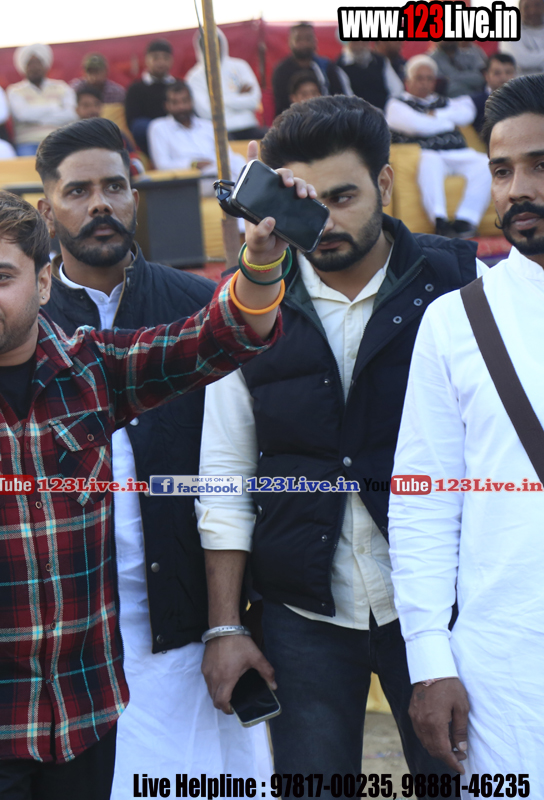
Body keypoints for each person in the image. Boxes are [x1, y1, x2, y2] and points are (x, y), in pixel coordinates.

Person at [0, 161, 294, 796]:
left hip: (83, 712)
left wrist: (261, 262)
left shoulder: (92, 366)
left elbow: (220, 337)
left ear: (42, 284)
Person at [197, 94, 473, 784]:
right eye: (305, 202)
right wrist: (227, 627)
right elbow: (224, 478)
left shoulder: (465, 284)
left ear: (385, 183)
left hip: (446, 607)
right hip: (302, 612)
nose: (324, 221)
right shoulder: (245, 304)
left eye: (343, 197)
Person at [36, 118, 272, 789]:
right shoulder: (24, 327)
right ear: (46, 211)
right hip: (70, 637)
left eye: (114, 186)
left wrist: (228, 624)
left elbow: (236, 470)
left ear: (135, 197)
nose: (100, 204)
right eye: (78, 191)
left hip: (189, 626)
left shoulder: (200, 309)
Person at [388, 73, 544, 778]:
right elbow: (423, 502)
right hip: (505, 670)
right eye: (502, 170)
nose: (518, 190)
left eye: (540, 165)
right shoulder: (455, 321)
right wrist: (429, 661)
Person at [386, 55, 490, 239]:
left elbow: (467, 114)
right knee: (430, 161)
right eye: (419, 78)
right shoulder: (397, 104)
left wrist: (436, 116)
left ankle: (465, 220)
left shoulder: (443, 101)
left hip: (458, 152)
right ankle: (439, 220)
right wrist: (448, 121)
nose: (425, 83)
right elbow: (417, 126)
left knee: (485, 163)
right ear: (407, 81)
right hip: (428, 154)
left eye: (429, 78)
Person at [148, 82, 244, 193]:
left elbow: (228, 156)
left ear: (192, 101)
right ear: (167, 105)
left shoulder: (208, 126)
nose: (181, 107)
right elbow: (162, 165)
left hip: (218, 170)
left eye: (185, 101)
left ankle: (241, 192)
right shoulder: (159, 128)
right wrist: (193, 164)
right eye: (175, 103)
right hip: (191, 181)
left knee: (238, 160)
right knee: (222, 176)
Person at [185, 29, 264, 141]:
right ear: (200, 48)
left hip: (249, 126)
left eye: (215, 43)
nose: (212, 48)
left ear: (222, 44)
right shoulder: (194, 77)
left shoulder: (240, 66)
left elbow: (254, 101)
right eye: (207, 45)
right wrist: (238, 96)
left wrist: (215, 100)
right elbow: (207, 112)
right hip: (218, 132)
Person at [6, 44, 77, 157]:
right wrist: (54, 108)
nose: (34, 67)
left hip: (58, 140)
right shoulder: (15, 91)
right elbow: (23, 115)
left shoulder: (62, 87)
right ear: (24, 67)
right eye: (30, 63)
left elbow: (71, 115)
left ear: (45, 65)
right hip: (28, 143)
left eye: (38, 62)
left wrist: (36, 118)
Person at [271, 23, 352, 118]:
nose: (304, 43)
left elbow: (340, 100)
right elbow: (281, 107)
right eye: (298, 39)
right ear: (290, 42)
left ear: (315, 41)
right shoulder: (281, 72)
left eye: (308, 39)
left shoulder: (327, 67)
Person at [124, 39, 175, 156]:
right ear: (147, 60)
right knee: (140, 126)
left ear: (171, 60)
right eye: (156, 58)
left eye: (165, 58)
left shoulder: (178, 85)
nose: (161, 62)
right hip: (150, 137)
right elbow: (132, 121)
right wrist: (160, 128)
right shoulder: (135, 88)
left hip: (178, 132)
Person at [337, 41, 390, 110]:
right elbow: (348, 98)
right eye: (356, 42)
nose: (360, 45)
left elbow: (396, 90)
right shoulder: (340, 66)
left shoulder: (380, 61)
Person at [471, 53, 516, 132]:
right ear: (486, 76)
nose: (503, 78)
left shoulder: (525, 100)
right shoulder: (474, 104)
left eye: (508, 72)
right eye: (497, 73)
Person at [500, 0, 543, 74]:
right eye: (527, 7)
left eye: (537, 5)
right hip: (521, 80)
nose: (532, 11)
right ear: (520, 10)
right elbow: (522, 61)